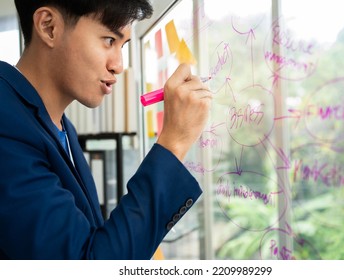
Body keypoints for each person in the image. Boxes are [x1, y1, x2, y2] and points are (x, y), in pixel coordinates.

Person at [0, 0, 212, 259]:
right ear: (49, 27)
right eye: (109, 40)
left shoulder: (61, 126)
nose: (119, 65)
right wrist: (174, 143)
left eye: (123, 46)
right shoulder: (6, 121)